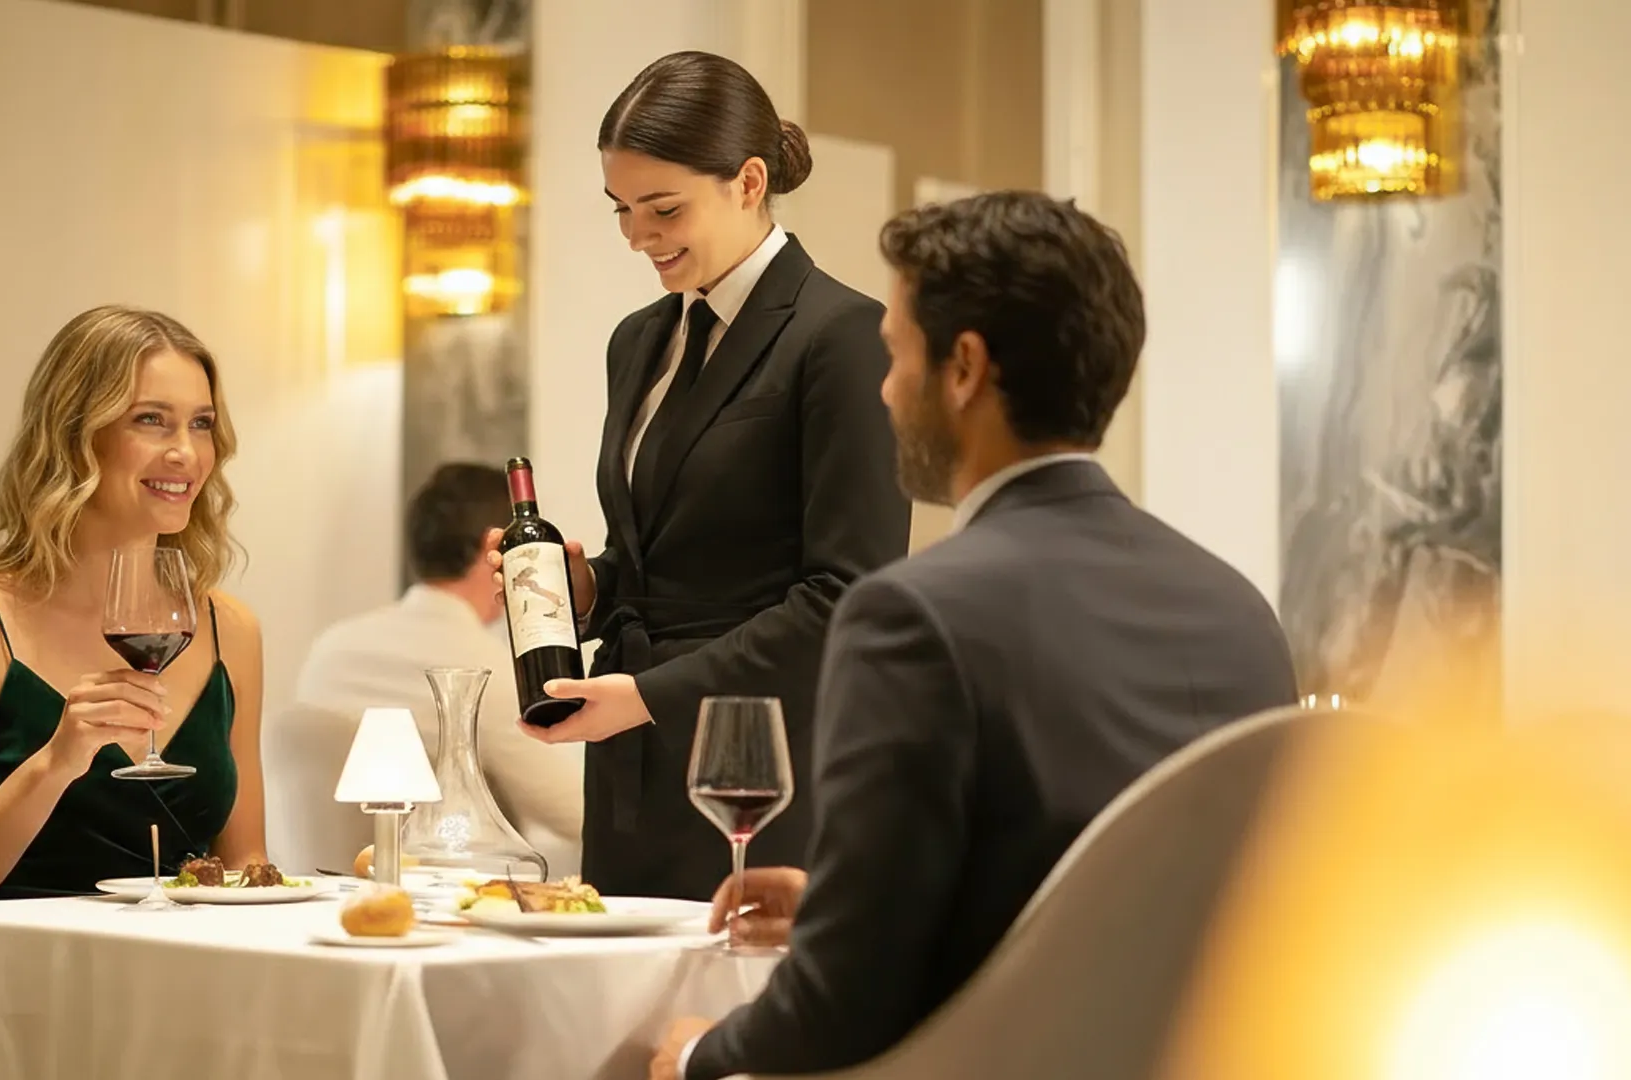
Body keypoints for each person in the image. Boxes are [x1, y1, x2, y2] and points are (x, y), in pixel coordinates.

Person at [652, 192, 1301, 1079]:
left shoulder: (912, 617)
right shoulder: (1240, 612)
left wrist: (698, 1055)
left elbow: (843, 1011)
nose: (883, 391)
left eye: (896, 355)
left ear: (962, 368)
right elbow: (1108, 920)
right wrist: (843, 909)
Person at [497, 50, 910, 902]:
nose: (639, 236)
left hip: (759, 766)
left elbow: (846, 594)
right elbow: (659, 560)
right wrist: (588, 591)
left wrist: (649, 695)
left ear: (749, 181)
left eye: (664, 207)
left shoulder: (842, 336)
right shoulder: (639, 339)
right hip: (629, 769)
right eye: (621, 209)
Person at [0, 305, 269, 902]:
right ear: (73, 435)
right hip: (13, 978)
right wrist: (56, 764)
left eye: (201, 424)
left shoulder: (229, 629)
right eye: (151, 420)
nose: (186, 454)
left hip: (187, 978)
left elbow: (247, 867)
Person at [284, 462, 584, 876]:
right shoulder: (483, 665)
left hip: (324, 887)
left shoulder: (331, 647)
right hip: (441, 895)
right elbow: (574, 812)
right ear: (490, 548)